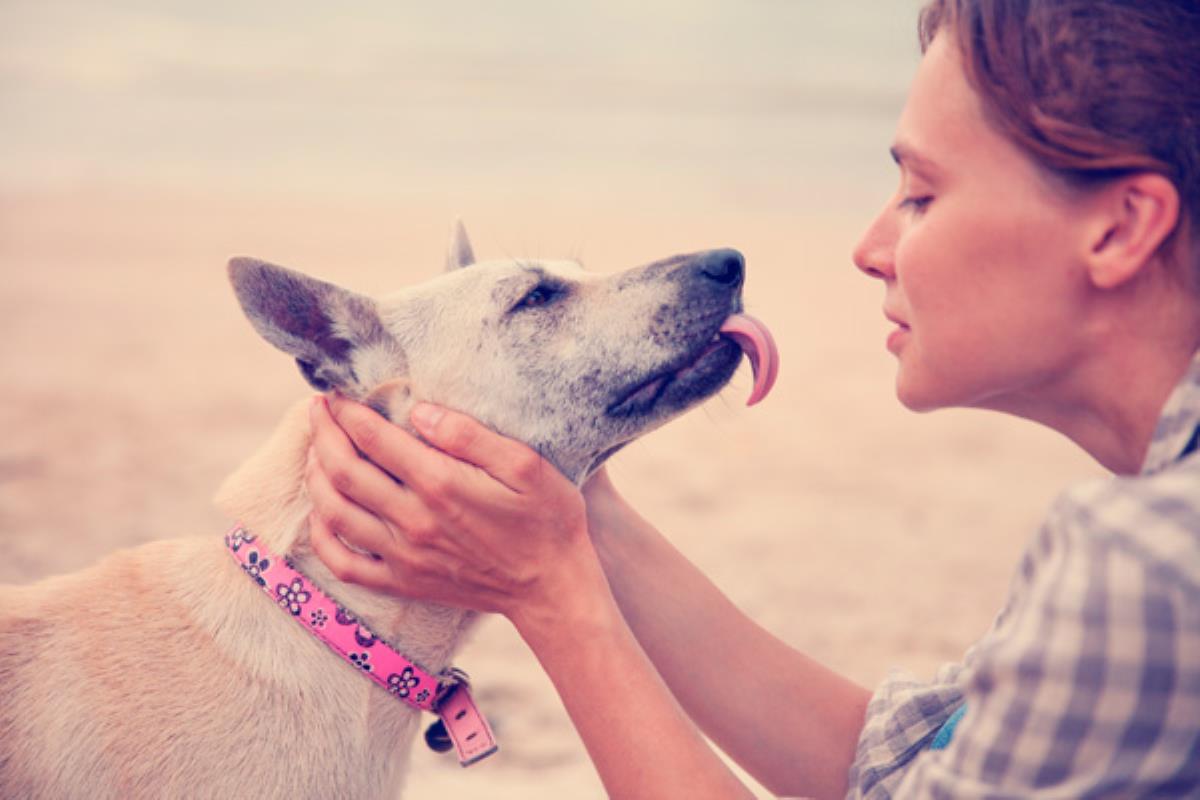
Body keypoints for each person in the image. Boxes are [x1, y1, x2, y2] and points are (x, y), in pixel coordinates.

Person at [303, 1, 1200, 796]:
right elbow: (900, 769)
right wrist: (579, 516)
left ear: (1121, 228)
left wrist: (551, 592)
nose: (869, 244)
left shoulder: (1146, 566)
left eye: (923, 195)